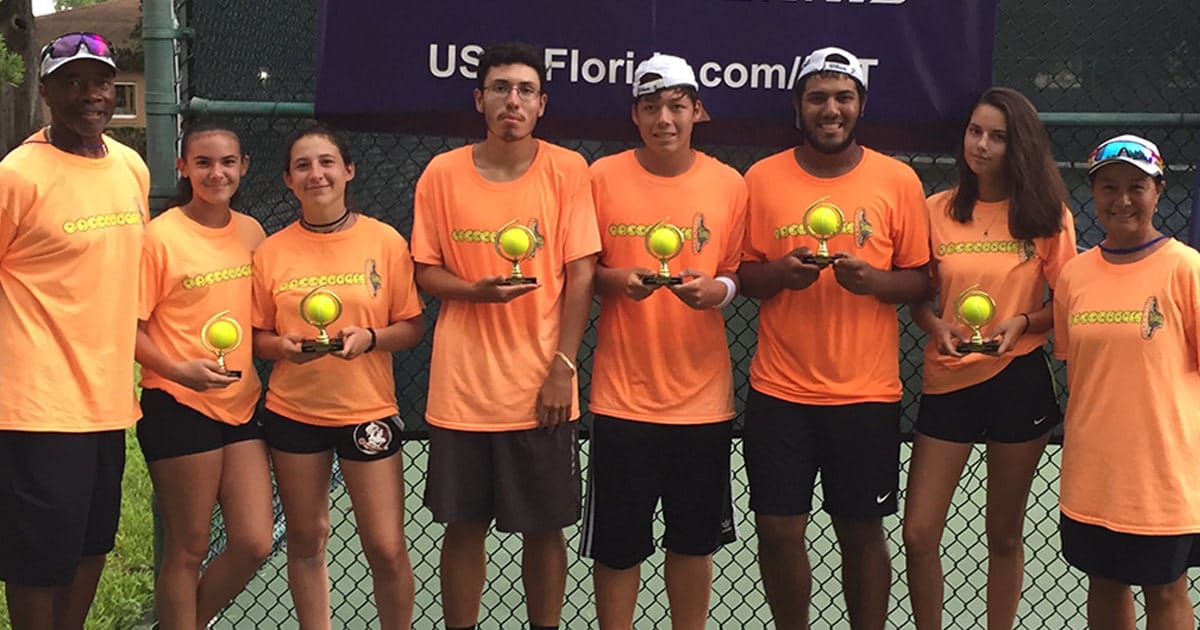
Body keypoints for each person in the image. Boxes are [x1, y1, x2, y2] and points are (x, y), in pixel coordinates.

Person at [737, 46, 930, 630]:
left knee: (861, 531)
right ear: (798, 107)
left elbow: (922, 279)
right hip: (780, 393)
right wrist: (780, 274)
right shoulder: (761, 178)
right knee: (778, 530)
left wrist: (875, 282)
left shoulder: (898, 180)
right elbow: (743, 273)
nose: (831, 109)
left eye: (843, 97)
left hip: (865, 395)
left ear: (861, 105)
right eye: (817, 97)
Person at [411, 41, 599, 630]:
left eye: (524, 90)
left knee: (544, 530)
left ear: (542, 104)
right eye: (500, 88)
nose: (511, 101)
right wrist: (474, 291)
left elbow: (581, 274)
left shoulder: (568, 170)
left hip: (541, 389)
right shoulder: (441, 173)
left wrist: (562, 367)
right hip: (462, 391)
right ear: (479, 99)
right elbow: (425, 270)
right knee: (463, 527)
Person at [901, 87, 1076, 630]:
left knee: (1003, 532)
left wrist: (1023, 322)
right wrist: (936, 326)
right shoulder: (935, 210)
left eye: (997, 137)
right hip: (949, 379)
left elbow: (1067, 302)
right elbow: (918, 296)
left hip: (1018, 378)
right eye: (975, 131)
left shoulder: (1047, 217)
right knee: (919, 531)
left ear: (1018, 146)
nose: (981, 145)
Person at [581, 53, 745, 630]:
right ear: (635, 115)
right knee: (617, 547)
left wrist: (718, 291)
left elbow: (735, 271)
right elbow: (582, 273)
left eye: (676, 106)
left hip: (702, 403)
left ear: (698, 110)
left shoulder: (729, 183)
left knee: (693, 543)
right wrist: (616, 281)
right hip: (621, 400)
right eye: (651, 107)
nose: (664, 119)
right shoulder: (599, 178)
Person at [0, 32, 149, 630]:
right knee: (38, 558)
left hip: (108, 399)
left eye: (102, 82)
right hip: (37, 404)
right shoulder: (17, 176)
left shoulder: (130, 167)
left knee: (93, 542)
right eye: (73, 81)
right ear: (45, 91)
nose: (92, 94)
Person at [251, 121, 424, 630]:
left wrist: (370, 338)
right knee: (307, 540)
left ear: (349, 170)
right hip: (294, 414)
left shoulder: (384, 240)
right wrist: (283, 348)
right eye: (302, 166)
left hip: (367, 412)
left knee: (386, 547)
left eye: (327, 162)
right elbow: (259, 336)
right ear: (288, 180)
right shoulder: (271, 251)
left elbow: (411, 327)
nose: (316, 174)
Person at [1053, 134, 1200, 629]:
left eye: (1136, 187)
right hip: (1093, 474)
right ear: (1093, 193)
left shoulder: (1186, 268)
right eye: (1109, 187)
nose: (1122, 200)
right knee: (1104, 581)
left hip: (1162, 477)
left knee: (1167, 589)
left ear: (1158, 190)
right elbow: (1080, 370)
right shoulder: (1074, 275)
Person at [134, 121, 273, 630]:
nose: (217, 173)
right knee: (188, 548)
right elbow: (127, 329)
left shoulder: (252, 232)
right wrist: (178, 370)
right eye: (204, 163)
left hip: (240, 404)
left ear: (244, 167)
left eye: (228, 162)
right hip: (178, 404)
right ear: (183, 168)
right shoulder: (160, 237)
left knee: (254, 541)